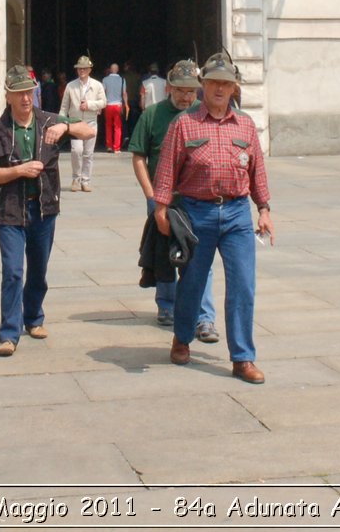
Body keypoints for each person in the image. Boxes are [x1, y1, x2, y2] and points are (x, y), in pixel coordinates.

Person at [153, 52, 273, 384]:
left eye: (226, 83)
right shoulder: (184, 124)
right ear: (202, 86)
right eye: (213, 83)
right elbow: (166, 170)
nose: (219, 89)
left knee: (243, 286)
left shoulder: (246, 125)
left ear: (234, 88)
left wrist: (264, 209)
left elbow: (257, 171)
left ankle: (242, 358)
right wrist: (161, 208)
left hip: (236, 214)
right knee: (191, 283)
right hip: (197, 213)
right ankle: (181, 338)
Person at [0, 65, 95, 356]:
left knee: (38, 270)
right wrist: (18, 170)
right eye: (18, 93)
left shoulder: (49, 122)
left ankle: (33, 318)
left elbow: (89, 129)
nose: (24, 99)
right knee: (12, 272)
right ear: (7, 96)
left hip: (44, 210)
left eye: (28, 92)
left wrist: (66, 127)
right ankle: (9, 333)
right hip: (10, 211)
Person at [129, 59, 218, 340]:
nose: (186, 96)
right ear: (168, 87)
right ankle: (166, 305)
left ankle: (204, 318)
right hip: (163, 198)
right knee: (165, 253)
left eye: (191, 91)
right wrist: (151, 195)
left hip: (197, 199)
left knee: (201, 258)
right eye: (180, 90)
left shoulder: (203, 116)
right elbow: (139, 156)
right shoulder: (153, 115)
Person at [60, 56, 106, 190]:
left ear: (89, 70)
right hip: (75, 122)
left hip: (91, 122)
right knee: (76, 150)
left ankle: (85, 180)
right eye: (79, 68)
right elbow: (64, 106)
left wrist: (90, 105)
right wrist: (62, 121)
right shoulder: (71, 85)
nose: (81, 71)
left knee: (88, 153)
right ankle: (76, 178)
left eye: (84, 68)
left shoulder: (97, 85)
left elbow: (103, 102)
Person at [100, 62, 127, 153]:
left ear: (111, 70)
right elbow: (124, 94)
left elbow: (102, 93)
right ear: (118, 70)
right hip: (118, 105)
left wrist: (100, 105)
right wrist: (126, 105)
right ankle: (117, 148)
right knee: (118, 126)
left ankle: (109, 146)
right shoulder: (122, 80)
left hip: (108, 105)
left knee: (108, 126)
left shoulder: (105, 79)